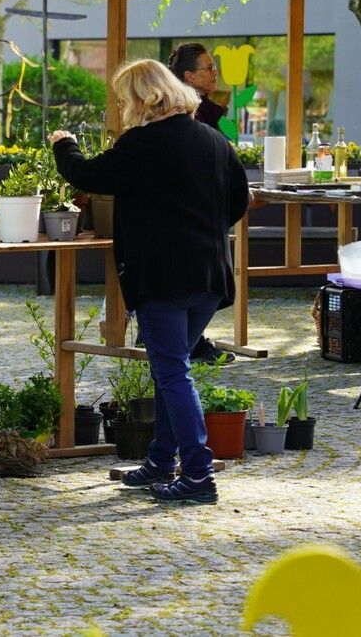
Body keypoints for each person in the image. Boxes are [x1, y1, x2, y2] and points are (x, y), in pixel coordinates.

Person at [48, 58, 249, 505]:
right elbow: (240, 199)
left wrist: (66, 144)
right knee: (169, 368)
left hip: (163, 277)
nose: (122, 108)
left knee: (173, 371)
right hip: (210, 275)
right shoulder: (215, 141)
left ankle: (198, 475)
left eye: (124, 99)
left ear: (142, 99)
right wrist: (204, 229)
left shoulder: (143, 143)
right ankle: (160, 460)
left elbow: (87, 175)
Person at [167, 42, 236, 365]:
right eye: (209, 68)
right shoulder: (182, 116)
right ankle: (186, 341)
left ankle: (188, 340)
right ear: (189, 76)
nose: (215, 73)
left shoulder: (207, 113)